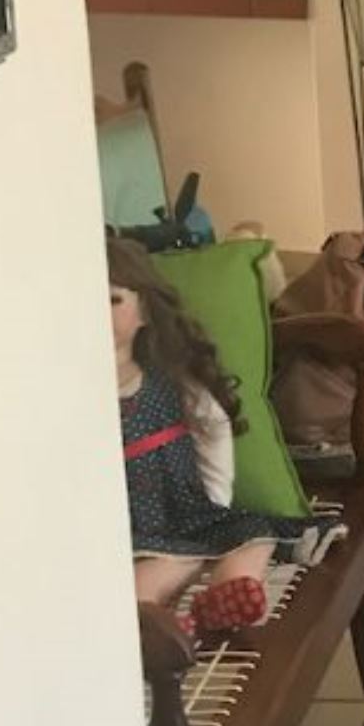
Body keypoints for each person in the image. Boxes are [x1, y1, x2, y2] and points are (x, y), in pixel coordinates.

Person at [108, 234, 314, 641]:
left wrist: (215, 502)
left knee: (255, 535)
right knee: (162, 566)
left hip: (185, 509)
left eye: (114, 300)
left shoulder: (169, 378)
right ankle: (153, 625)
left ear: (145, 309)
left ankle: (230, 590)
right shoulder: (77, 391)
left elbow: (213, 430)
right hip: (124, 524)